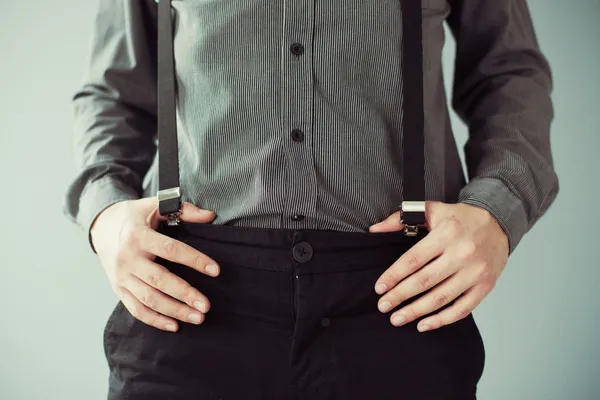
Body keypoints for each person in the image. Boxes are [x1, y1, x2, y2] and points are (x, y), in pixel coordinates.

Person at [63, 0, 559, 399]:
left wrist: (498, 210)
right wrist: (105, 214)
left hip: (398, 296)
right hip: (191, 298)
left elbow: (508, 72)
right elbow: (112, 93)